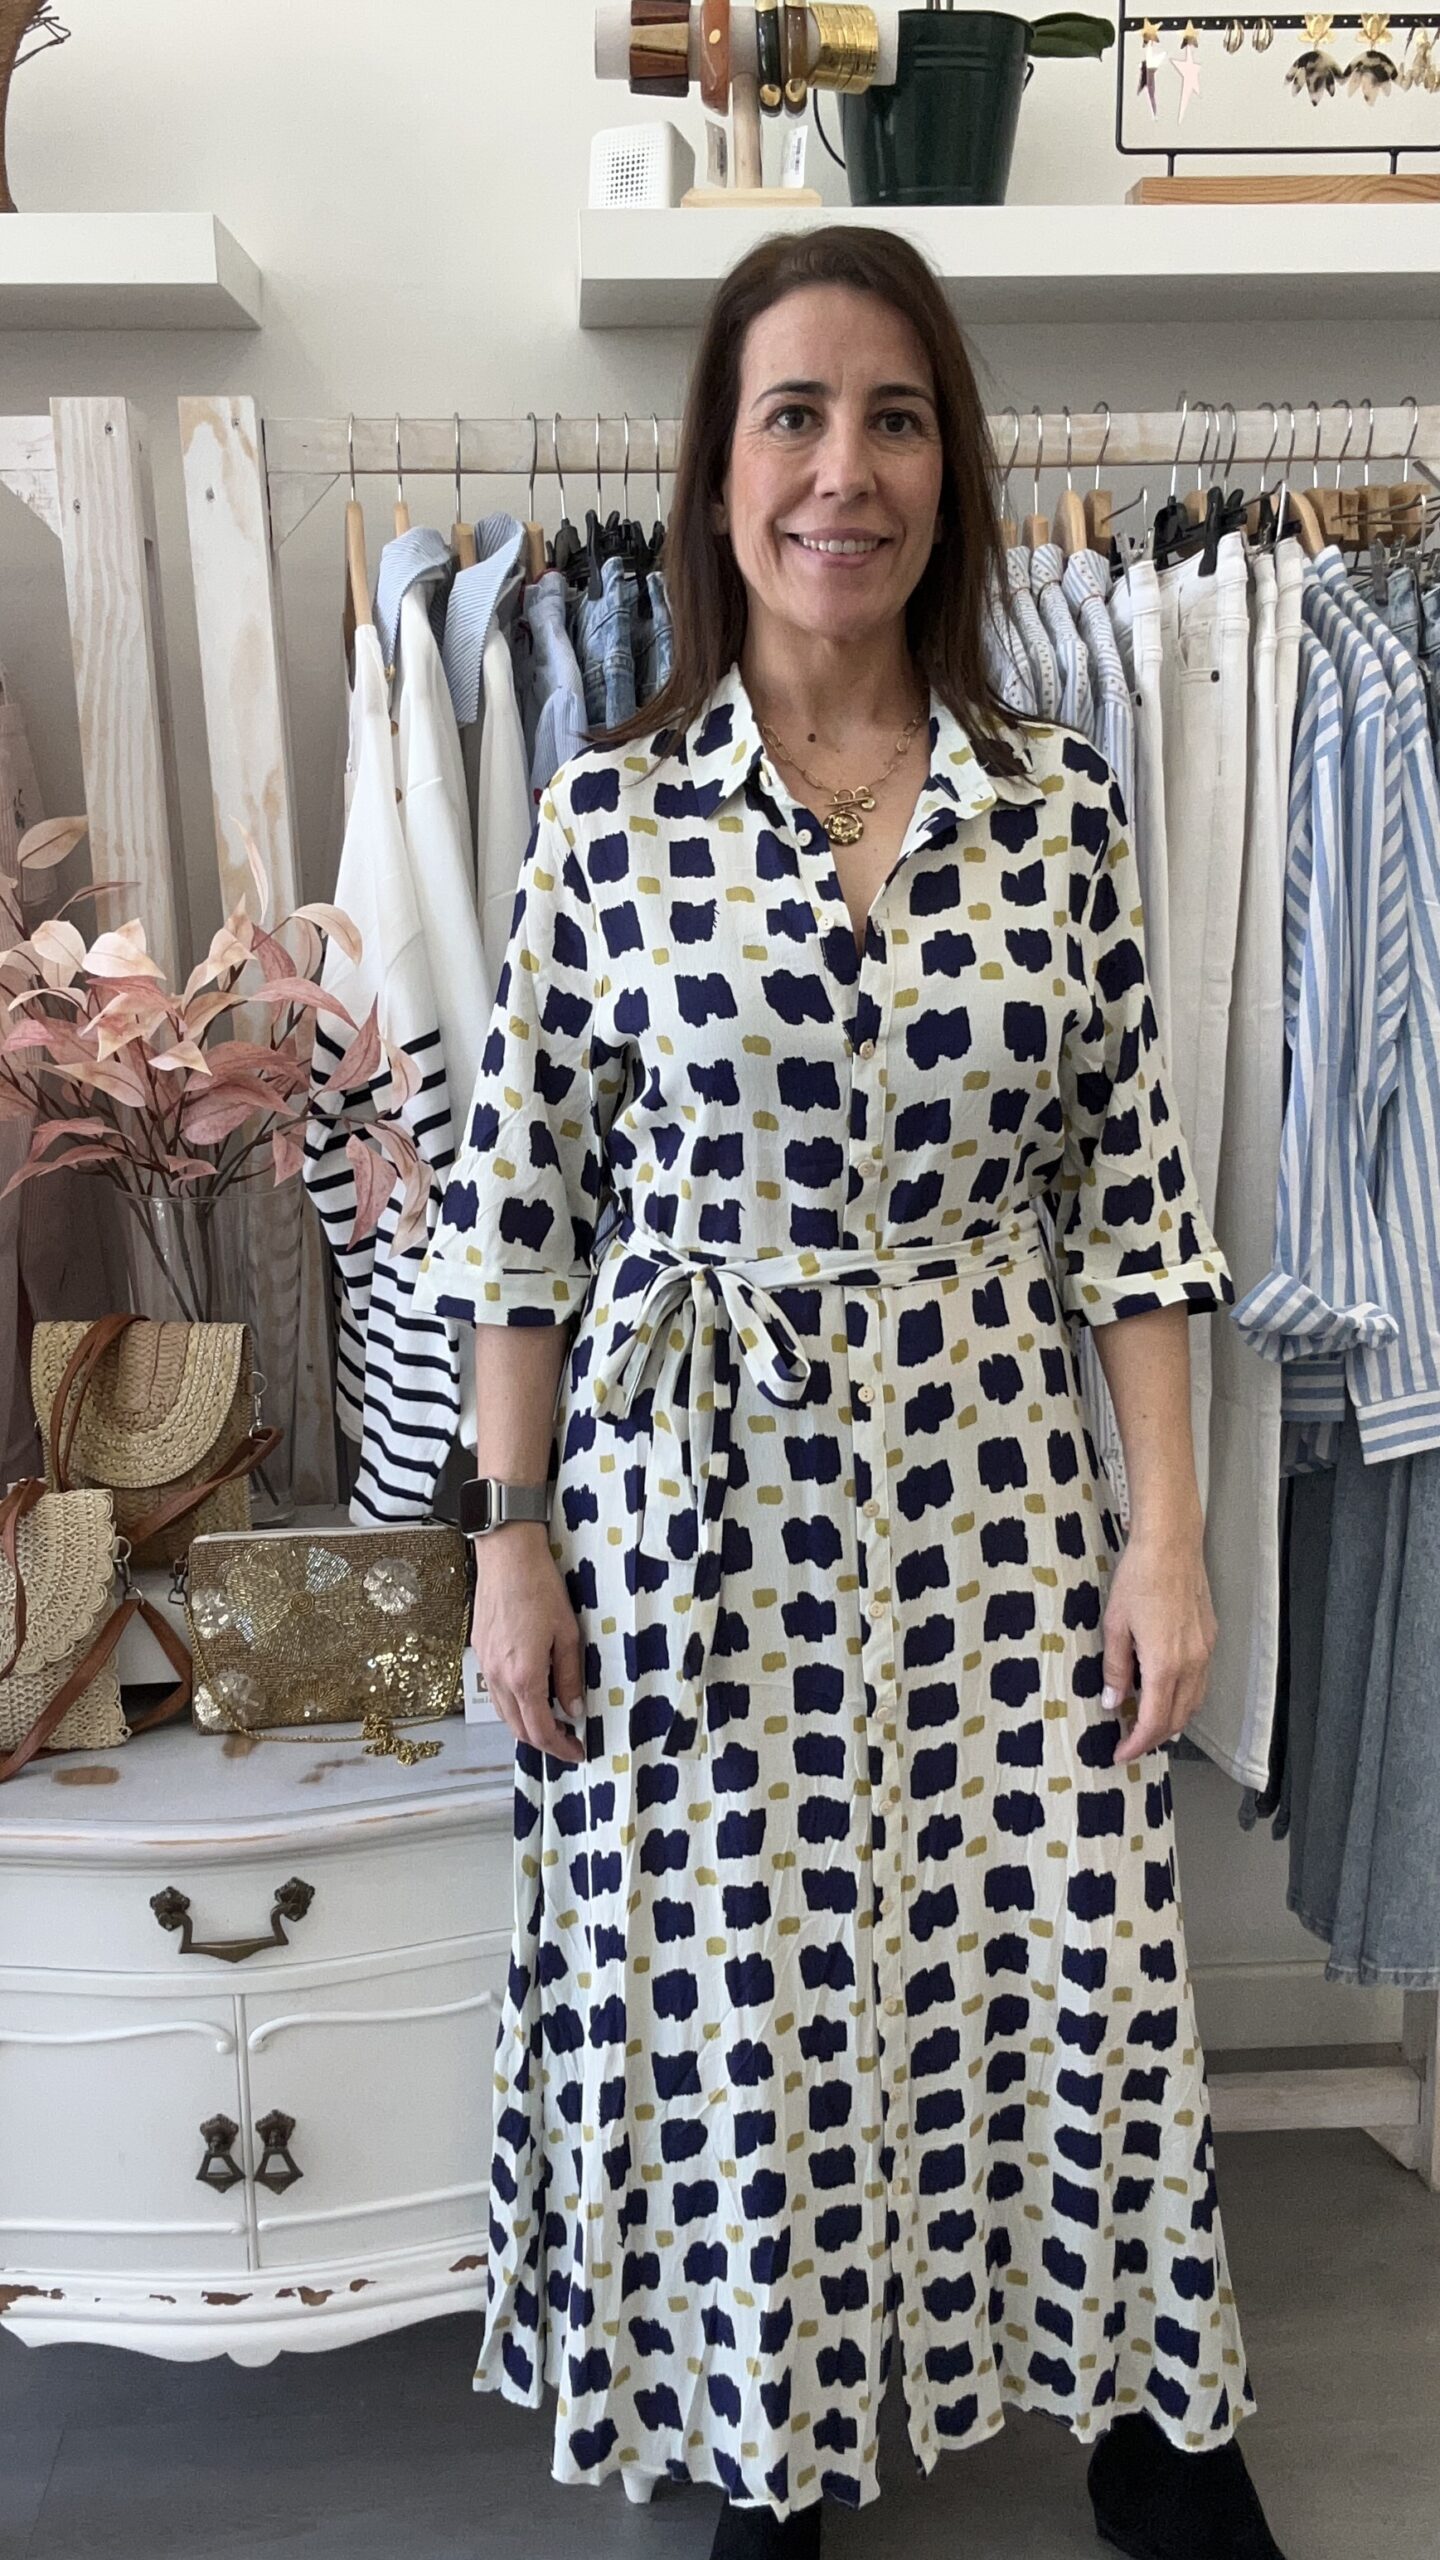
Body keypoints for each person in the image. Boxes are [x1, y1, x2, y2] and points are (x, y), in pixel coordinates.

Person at [413, 225, 1288, 2560]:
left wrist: (1170, 1533)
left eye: (894, 418)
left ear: (949, 468)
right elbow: (518, 1220)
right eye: (791, 416)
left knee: (1074, 1963)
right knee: (740, 2008)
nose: (844, 471)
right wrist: (511, 1542)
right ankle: (766, 2452)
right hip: (699, 1516)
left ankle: (1153, 2430)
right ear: (716, 475)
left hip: (1001, 1492)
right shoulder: (610, 817)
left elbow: (1132, 1209)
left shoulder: (1060, 807)